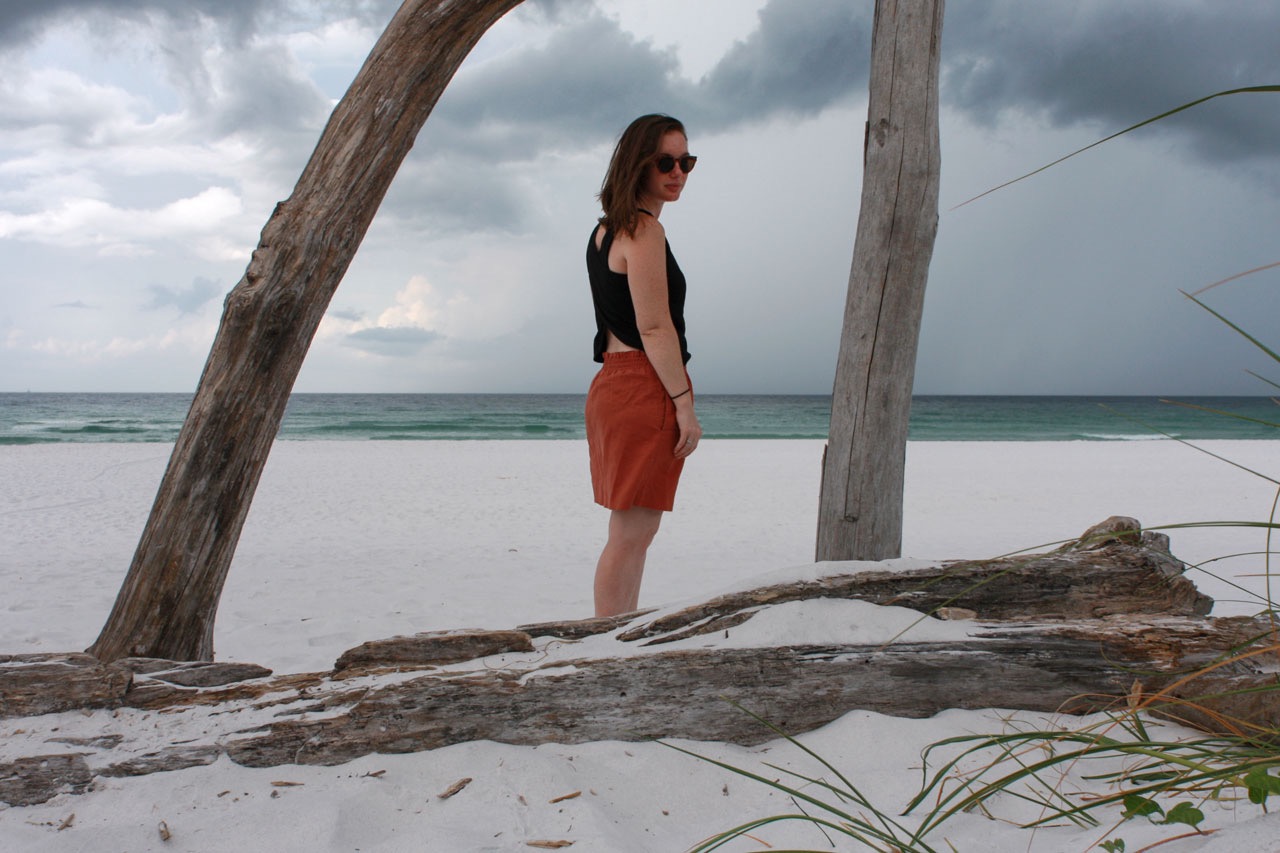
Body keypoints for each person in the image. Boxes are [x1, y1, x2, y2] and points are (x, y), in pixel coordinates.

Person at [585, 113, 703, 618]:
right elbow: (656, 328)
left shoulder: (604, 231)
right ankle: (608, 639)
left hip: (613, 383)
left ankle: (616, 634)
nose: (677, 172)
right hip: (640, 384)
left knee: (630, 531)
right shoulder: (643, 231)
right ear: (639, 164)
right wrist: (684, 403)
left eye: (686, 161)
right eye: (665, 162)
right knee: (632, 534)